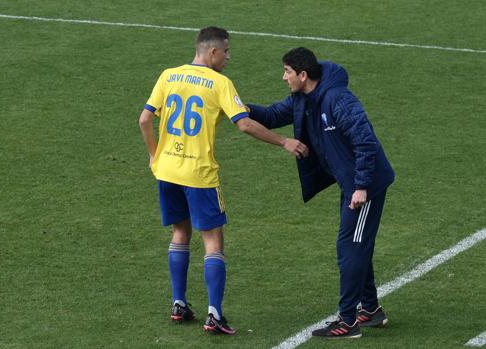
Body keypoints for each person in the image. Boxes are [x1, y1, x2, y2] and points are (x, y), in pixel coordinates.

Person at [138, 27, 308, 335]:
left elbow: (145, 119)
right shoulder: (219, 83)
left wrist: (154, 156)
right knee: (213, 241)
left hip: (167, 171)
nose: (228, 58)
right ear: (213, 52)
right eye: (226, 52)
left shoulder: (168, 75)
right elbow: (244, 124)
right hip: (199, 174)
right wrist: (284, 142)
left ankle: (179, 303)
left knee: (180, 232)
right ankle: (214, 313)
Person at [247, 47, 395, 339]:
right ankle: (370, 310)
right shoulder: (303, 99)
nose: (283, 77)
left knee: (350, 247)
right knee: (355, 244)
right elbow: (274, 114)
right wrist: (238, 107)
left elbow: (365, 141)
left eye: (287, 72)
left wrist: (362, 187)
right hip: (351, 183)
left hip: (366, 185)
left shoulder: (338, 99)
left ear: (303, 75)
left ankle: (349, 321)